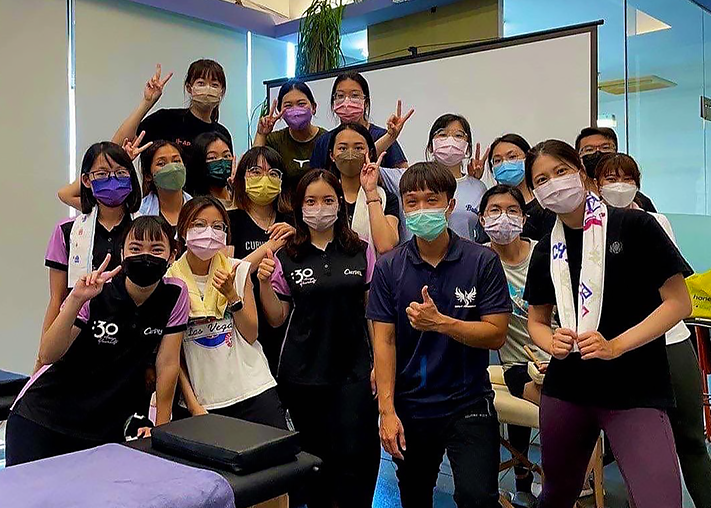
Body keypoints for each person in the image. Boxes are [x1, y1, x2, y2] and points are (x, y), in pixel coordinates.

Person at [523, 139, 692, 508]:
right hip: (568, 388)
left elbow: (679, 303)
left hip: (635, 388)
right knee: (557, 494)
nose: (554, 184)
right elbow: (537, 320)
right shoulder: (545, 249)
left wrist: (616, 345)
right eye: (542, 180)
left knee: (660, 501)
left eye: (561, 171)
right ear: (535, 194)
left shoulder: (636, 226)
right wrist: (550, 341)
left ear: (582, 174)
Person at [367, 162, 511, 508]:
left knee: (478, 497)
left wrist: (442, 323)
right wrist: (387, 411)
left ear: (450, 205)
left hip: (469, 401)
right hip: (412, 404)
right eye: (412, 202)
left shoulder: (482, 261)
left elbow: (496, 335)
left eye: (431, 200)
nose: (421, 209)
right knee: (415, 495)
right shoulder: (389, 267)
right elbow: (384, 341)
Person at [7, 216, 188, 466]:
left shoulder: (175, 294)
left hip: (104, 429)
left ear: (172, 255)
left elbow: (167, 364)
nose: (145, 256)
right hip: (43, 418)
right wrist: (76, 299)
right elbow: (47, 354)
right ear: (122, 253)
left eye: (156, 249)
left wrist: (161, 431)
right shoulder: (97, 290)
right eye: (135, 248)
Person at [593, 152, 711, 508]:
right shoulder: (589, 230)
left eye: (626, 178)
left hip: (670, 342)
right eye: (610, 178)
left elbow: (672, 294)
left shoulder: (655, 222)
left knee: (691, 440)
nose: (618, 185)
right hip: (620, 350)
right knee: (639, 448)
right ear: (596, 185)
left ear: (637, 184)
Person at [257, 169, 379, 508]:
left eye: (327, 200)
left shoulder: (361, 250)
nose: (319, 208)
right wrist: (264, 283)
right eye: (310, 201)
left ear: (339, 203)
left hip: (355, 372)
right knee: (315, 462)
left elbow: (372, 313)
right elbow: (277, 317)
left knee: (357, 457)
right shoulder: (287, 255)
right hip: (303, 375)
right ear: (299, 207)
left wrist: (378, 365)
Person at [166, 196, 286, 428]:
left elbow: (251, 334)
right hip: (203, 401)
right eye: (199, 224)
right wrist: (193, 405)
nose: (209, 232)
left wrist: (232, 296)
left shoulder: (237, 270)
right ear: (183, 229)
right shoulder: (170, 281)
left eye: (217, 226)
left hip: (253, 390)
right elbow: (172, 357)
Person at [479, 184, 551, 506]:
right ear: (482, 219)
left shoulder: (544, 254)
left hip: (561, 354)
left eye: (512, 210)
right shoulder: (478, 260)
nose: (503, 218)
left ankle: (564, 477)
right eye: (494, 210)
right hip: (517, 365)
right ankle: (524, 479)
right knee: (527, 383)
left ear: (524, 217)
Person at [42, 142, 141, 361]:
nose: (112, 180)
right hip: (78, 338)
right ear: (86, 181)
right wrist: (42, 357)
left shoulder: (143, 231)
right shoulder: (67, 231)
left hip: (130, 339)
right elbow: (57, 298)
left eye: (121, 173)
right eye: (102, 174)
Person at [113, 60, 232, 194]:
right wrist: (147, 102)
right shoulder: (165, 119)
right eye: (201, 83)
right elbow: (116, 146)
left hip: (204, 203)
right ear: (189, 88)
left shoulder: (221, 134)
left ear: (222, 91)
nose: (207, 89)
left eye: (214, 85)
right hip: (162, 201)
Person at [227, 146, 295, 375]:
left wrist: (298, 235)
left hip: (285, 323)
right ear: (242, 178)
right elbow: (230, 272)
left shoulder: (292, 221)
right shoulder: (230, 220)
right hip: (243, 322)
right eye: (256, 171)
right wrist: (271, 246)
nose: (265, 178)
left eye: (273, 173)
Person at [379, 114, 489, 243]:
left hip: (464, 255)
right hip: (412, 254)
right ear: (431, 146)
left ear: (467, 148)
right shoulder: (406, 178)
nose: (450, 140)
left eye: (458, 135)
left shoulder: (478, 188)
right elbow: (362, 167)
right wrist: (390, 137)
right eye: (442, 134)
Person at [309, 71, 413, 170]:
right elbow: (315, 177)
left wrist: (390, 137)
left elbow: (403, 174)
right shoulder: (324, 141)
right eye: (340, 96)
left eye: (354, 95)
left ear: (366, 102)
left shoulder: (383, 135)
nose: (347, 102)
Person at [327, 122, 400, 253]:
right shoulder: (322, 196)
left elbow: (385, 245)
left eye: (358, 148)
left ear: (370, 154)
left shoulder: (385, 198)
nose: (350, 153)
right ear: (332, 155)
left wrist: (371, 192)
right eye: (342, 148)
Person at [253, 80, 327, 202]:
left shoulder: (326, 139)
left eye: (301, 104)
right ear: (280, 112)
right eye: (288, 106)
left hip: (318, 207)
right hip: (284, 208)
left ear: (313, 107)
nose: (295, 110)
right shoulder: (275, 140)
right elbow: (254, 170)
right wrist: (261, 134)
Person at [574, 126, 656, 212]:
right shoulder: (573, 201)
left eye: (605, 148)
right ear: (578, 156)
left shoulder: (641, 202)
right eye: (589, 149)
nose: (598, 153)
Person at [138, 140, 192, 228]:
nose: (172, 168)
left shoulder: (199, 210)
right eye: (161, 163)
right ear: (148, 175)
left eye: (176, 161)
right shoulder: (138, 213)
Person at [189, 131, 235, 208]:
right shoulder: (198, 205)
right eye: (212, 157)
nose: (222, 163)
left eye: (226, 156)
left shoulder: (239, 196)